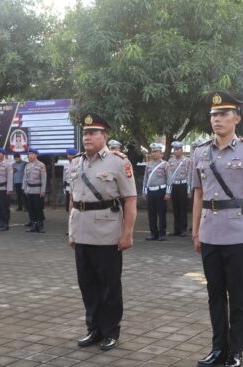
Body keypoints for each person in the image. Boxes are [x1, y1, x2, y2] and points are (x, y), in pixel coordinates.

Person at [192, 92, 243, 367]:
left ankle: (235, 351)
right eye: (213, 115)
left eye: (223, 114)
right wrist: (195, 231)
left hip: (238, 233)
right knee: (214, 294)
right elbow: (198, 195)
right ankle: (218, 348)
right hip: (210, 232)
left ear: (236, 118)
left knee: (237, 294)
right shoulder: (200, 152)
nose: (217, 119)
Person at [69, 113, 137, 351]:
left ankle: (110, 330)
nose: (87, 137)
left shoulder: (118, 162)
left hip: (107, 232)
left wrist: (127, 233)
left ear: (105, 136)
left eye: (93, 133)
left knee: (109, 285)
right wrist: (71, 231)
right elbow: (73, 198)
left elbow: (130, 200)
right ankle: (93, 328)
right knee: (87, 284)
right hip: (81, 231)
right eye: (85, 133)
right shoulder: (75, 163)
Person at [142, 143, 171, 241]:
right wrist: (144, 192)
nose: (153, 154)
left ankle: (162, 233)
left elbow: (169, 179)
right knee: (151, 213)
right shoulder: (148, 164)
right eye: (152, 152)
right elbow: (145, 179)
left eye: (155, 152)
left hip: (161, 191)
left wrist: (168, 192)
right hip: (150, 191)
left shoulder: (165, 164)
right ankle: (153, 233)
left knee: (161, 213)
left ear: (160, 153)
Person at [168, 141, 192, 236]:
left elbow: (189, 175)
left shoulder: (187, 160)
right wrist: (168, 190)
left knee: (183, 208)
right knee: (175, 208)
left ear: (182, 150)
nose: (175, 151)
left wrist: (189, 190)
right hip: (174, 185)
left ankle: (183, 229)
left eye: (177, 149)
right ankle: (176, 229)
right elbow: (169, 176)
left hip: (183, 185)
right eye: (174, 149)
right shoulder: (170, 161)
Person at [23, 147, 47, 233]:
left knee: (38, 208)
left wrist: (43, 191)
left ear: (36, 155)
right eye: (29, 154)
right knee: (31, 208)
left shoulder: (41, 165)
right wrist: (24, 188)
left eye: (31, 154)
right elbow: (25, 178)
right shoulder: (27, 165)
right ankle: (34, 225)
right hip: (29, 190)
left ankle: (40, 226)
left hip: (38, 190)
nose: (30, 155)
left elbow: (44, 179)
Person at [63, 148, 78, 215]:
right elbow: (64, 178)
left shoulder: (79, 165)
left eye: (70, 155)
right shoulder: (66, 165)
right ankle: (70, 220)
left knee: (75, 207)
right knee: (68, 206)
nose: (68, 156)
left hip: (75, 189)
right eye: (68, 155)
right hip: (68, 188)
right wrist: (64, 188)